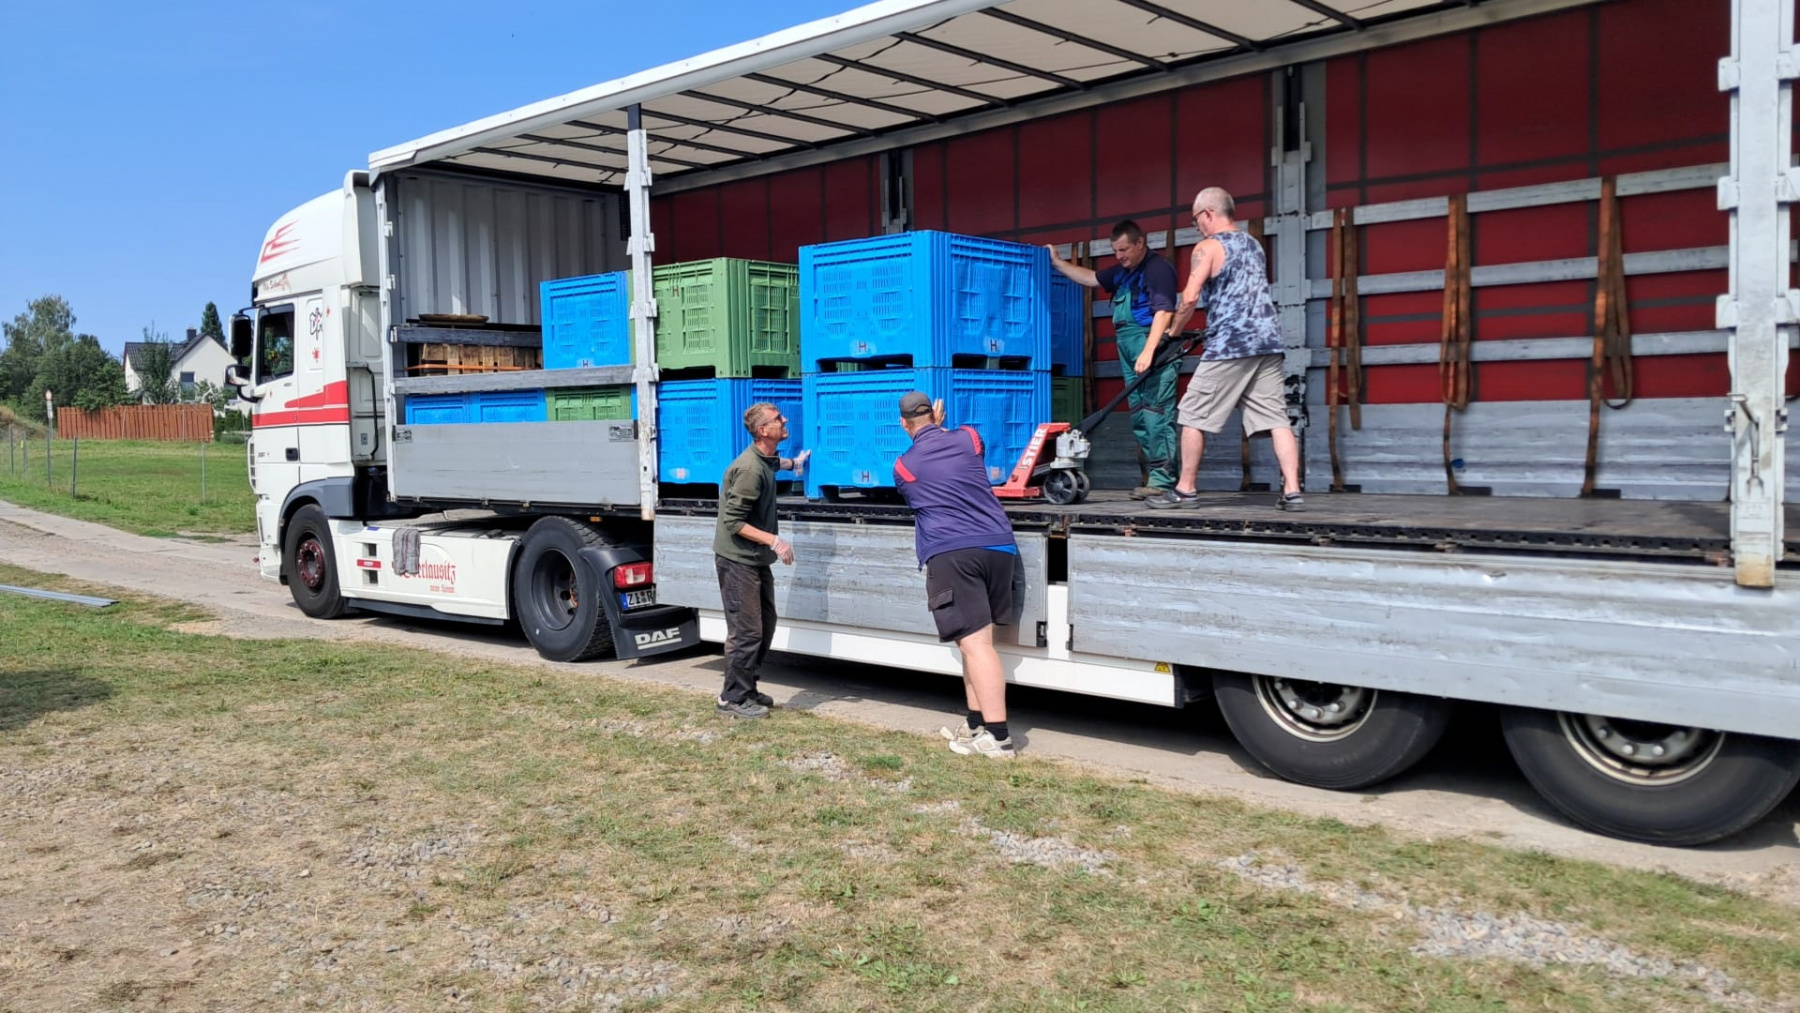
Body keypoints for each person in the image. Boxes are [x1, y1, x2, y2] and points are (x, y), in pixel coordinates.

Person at [1148, 187, 1304, 511]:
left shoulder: (1207, 247)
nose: (1196, 227)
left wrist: (1173, 333)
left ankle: (1185, 489)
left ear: (1208, 213)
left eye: (1195, 220)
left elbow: (1190, 297)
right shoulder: (1254, 245)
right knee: (1277, 418)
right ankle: (1292, 491)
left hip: (1230, 344)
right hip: (1268, 342)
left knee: (1192, 414)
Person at [892, 391, 1020, 759]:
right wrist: (941, 427)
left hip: (953, 552)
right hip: (999, 546)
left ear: (903, 423)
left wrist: (930, 429)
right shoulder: (969, 437)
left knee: (976, 645)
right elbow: (967, 451)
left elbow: (917, 491)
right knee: (972, 642)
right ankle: (976, 723)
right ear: (935, 415)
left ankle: (999, 738)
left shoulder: (903, 466)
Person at [1047, 220, 1181, 498]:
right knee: (1140, 415)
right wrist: (1058, 263)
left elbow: (1165, 311)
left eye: (1124, 249)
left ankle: (1164, 480)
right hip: (1130, 348)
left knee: (1156, 414)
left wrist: (1149, 351)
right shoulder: (1124, 272)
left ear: (1140, 243)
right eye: (1115, 250)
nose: (1119, 256)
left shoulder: (1157, 269)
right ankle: (1156, 479)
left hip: (1149, 345)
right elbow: (1091, 278)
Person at [712, 402, 810, 718]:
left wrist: (795, 463)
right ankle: (732, 699)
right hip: (737, 560)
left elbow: (773, 463)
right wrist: (774, 541)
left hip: (754, 559)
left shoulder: (763, 460)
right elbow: (733, 521)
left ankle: (747, 687)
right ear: (763, 430)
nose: (785, 419)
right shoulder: (749, 470)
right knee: (746, 631)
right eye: (778, 418)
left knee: (765, 624)